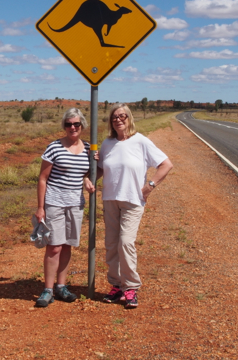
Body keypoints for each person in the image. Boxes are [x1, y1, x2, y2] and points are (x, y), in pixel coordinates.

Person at [94, 103, 173, 309]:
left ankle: (131, 287)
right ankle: (116, 285)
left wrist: (150, 185)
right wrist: (91, 172)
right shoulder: (107, 143)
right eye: (114, 117)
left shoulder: (141, 141)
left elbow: (166, 164)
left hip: (133, 201)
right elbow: (101, 169)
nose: (118, 120)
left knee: (126, 242)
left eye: (122, 116)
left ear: (129, 118)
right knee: (111, 244)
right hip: (111, 199)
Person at [34, 108, 93, 307]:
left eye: (76, 124)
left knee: (67, 244)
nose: (73, 127)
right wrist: (41, 207)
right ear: (64, 126)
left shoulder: (88, 149)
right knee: (54, 246)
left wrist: (87, 178)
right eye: (68, 124)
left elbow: (93, 172)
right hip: (54, 203)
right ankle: (47, 289)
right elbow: (43, 178)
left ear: (82, 125)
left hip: (76, 204)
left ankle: (61, 287)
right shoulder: (54, 147)